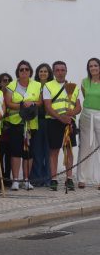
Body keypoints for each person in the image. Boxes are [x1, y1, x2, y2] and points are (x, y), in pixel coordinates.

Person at [43, 61, 81, 191]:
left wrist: (73, 112)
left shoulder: (73, 86)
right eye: (57, 70)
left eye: (62, 70)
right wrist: (61, 118)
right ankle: (53, 179)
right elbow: (48, 107)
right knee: (54, 151)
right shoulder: (48, 86)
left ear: (66, 71)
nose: (60, 72)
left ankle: (69, 179)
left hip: (69, 122)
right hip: (54, 121)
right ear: (53, 72)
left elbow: (78, 106)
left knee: (69, 150)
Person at [5, 60, 42, 191]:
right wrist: (22, 104)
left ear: (30, 71)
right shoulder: (11, 85)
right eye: (21, 69)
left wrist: (31, 103)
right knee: (15, 152)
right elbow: (8, 103)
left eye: (26, 69)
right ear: (18, 72)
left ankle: (27, 180)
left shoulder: (37, 85)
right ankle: (15, 180)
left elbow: (40, 101)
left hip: (31, 124)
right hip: (16, 123)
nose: (24, 71)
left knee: (29, 153)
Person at [77, 58, 100, 189]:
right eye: (90, 66)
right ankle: (81, 178)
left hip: (99, 114)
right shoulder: (84, 82)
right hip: (86, 115)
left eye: (95, 65)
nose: (93, 68)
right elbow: (87, 98)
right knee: (85, 146)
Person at [29, 64, 53, 187]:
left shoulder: (52, 85)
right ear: (37, 73)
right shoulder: (34, 85)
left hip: (49, 120)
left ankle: (48, 178)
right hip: (37, 120)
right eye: (41, 71)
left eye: (45, 71)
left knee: (48, 151)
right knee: (37, 150)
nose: (43, 73)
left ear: (49, 73)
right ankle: (37, 178)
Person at [0, 73, 13, 187]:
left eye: (8, 81)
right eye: (4, 80)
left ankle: (8, 177)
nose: (6, 83)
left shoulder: (13, 95)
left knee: (9, 155)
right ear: (0, 82)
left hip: (10, 129)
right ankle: (1, 177)